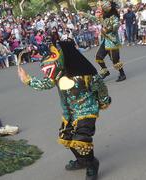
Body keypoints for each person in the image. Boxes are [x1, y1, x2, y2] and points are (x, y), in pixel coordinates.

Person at [18, 41, 111, 180]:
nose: (50, 56)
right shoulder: (58, 73)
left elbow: (101, 87)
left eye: (54, 53)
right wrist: (28, 80)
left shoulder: (87, 73)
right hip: (69, 113)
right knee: (66, 137)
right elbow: (46, 83)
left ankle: (92, 164)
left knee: (81, 139)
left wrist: (104, 102)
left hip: (87, 110)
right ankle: (81, 160)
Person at [81, 0, 126, 82]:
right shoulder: (103, 17)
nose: (101, 10)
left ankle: (122, 74)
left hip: (112, 41)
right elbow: (94, 18)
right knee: (98, 56)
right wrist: (84, 14)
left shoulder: (114, 17)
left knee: (115, 60)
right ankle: (105, 71)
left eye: (103, 8)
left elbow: (116, 26)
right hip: (105, 40)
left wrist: (108, 29)